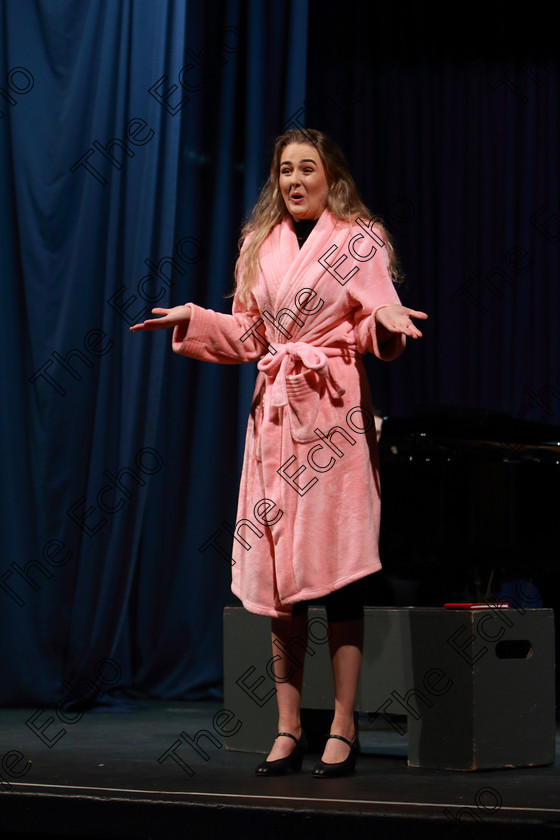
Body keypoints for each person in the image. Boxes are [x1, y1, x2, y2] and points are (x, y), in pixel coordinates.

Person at [131, 128, 428, 777]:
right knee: (278, 584)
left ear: (331, 177)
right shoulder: (257, 244)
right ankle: (289, 726)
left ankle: (343, 725)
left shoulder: (358, 239)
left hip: (333, 419)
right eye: (285, 170)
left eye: (307, 169)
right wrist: (194, 320)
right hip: (273, 421)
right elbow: (248, 333)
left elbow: (377, 308)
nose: (295, 180)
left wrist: (384, 323)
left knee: (341, 575)